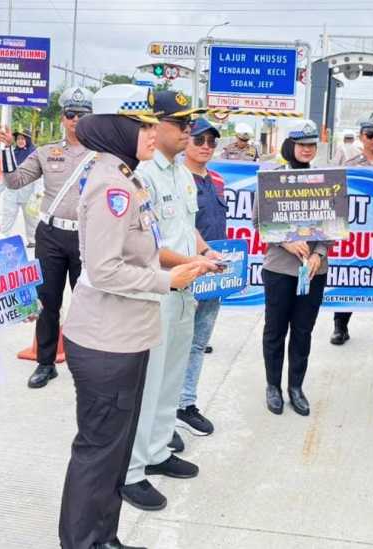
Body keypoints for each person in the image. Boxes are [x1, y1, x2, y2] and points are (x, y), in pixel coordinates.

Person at [58, 84, 205, 549]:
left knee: (114, 450)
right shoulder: (111, 186)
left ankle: (104, 537)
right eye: (140, 125)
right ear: (118, 128)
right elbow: (103, 270)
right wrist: (169, 280)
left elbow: (139, 251)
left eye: (149, 125)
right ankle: (83, 541)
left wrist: (182, 263)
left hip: (125, 335)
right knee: (99, 451)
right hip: (105, 339)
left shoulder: (128, 178)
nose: (149, 133)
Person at [119, 91, 220, 512]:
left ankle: (158, 451)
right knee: (147, 383)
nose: (188, 132)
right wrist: (193, 261)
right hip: (157, 289)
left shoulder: (181, 174)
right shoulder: (141, 175)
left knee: (171, 378)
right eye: (180, 125)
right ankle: (131, 471)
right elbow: (148, 245)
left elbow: (185, 225)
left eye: (188, 124)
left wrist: (205, 252)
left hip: (185, 285)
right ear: (154, 126)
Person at [0, 86, 94, 389]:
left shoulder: (103, 154)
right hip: (51, 234)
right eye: (70, 114)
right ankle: (46, 362)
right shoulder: (46, 152)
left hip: (87, 237)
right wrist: (5, 149)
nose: (76, 120)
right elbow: (15, 181)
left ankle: (86, 364)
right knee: (46, 300)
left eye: (83, 114)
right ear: (62, 117)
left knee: (88, 303)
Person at [259, 120, 329, 416]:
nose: (306, 150)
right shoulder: (273, 178)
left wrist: (319, 254)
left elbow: (332, 224)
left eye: (311, 145)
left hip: (313, 270)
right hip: (279, 269)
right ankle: (273, 386)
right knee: (275, 330)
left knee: (303, 331)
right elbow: (258, 222)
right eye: (302, 145)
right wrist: (286, 242)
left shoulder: (324, 180)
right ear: (291, 146)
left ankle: (296, 387)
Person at [177, 117, 226, 437]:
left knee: (197, 343)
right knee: (175, 345)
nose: (206, 146)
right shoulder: (178, 179)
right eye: (199, 140)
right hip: (187, 269)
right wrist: (204, 254)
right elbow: (183, 225)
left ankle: (185, 403)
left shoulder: (217, 180)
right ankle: (165, 412)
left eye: (211, 141)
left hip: (215, 272)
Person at [331, 112, 373, 348]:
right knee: (348, 276)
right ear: (361, 137)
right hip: (356, 233)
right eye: (370, 135)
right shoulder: (350, 166)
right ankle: (340, 327)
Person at [0, 130, 38, 247]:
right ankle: (3, 238)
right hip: (12, 191)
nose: (20, 141)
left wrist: (39, 193)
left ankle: (32, 239)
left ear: (27, 140)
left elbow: (40, 175)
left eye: (23, 139)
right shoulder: (11, 153)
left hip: (29, 192)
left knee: (31, 217)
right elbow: (6, 173)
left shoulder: (34, 155)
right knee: (8, 216)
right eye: (18, 139)